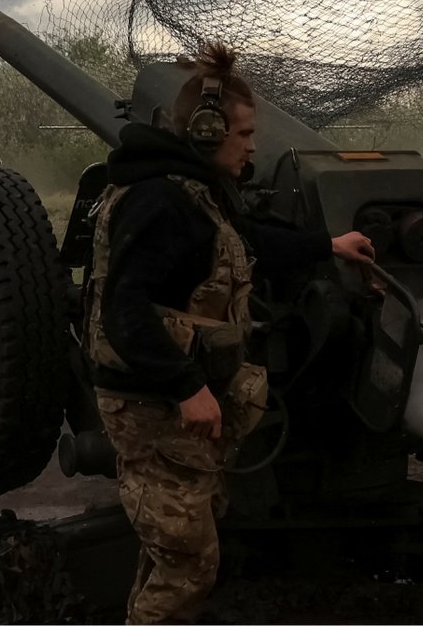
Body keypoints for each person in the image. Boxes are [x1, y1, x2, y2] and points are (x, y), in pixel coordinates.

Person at [84, 42, 375, 624]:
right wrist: (187, 387)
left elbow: (245, 242)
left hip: (168, 400)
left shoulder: (197, 193)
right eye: (242, 134)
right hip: (152, 406)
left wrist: (328, 246)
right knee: (188, 565)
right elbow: (125, 310)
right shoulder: (159, 201)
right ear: (206, 131)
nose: (251, 146)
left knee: (172, 550)